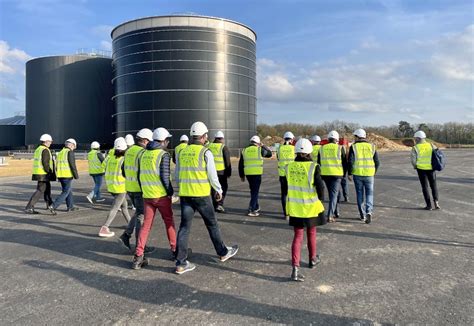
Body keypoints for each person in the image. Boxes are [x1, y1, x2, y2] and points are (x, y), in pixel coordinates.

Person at [174, 121, 238, 274]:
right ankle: (222, 252)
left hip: (186, 195)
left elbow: (176, 174)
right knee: (212, 224)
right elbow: (212, 175)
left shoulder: (182, 152)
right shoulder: (205, 152)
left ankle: (181, 263)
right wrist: (218, 190)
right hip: (201, 195)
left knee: (184, 228)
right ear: (203, 137)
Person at [132, 127, 177, 269]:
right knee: (169, 222)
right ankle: (176, 251)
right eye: (167, 140)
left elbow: (139, 176)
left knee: (146, 225)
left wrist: (145, 190)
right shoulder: (163, 155)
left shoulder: (143, 154)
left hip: (147, 196)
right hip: (161, 196)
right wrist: (170, 192)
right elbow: (165, 177)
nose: (168, 143)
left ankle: (138, 257)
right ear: (163, 141)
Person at [283, 138, 325, 281]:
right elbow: (320, 188)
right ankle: (312, 259)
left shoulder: (288, 167)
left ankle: (295, 268)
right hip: (310, 208)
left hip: (295, 208)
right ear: (309, 152)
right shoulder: (314, 167)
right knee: (311, 233)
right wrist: (321, 199)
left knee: (298, 237)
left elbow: (285, 189)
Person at [119, 128, 154, 251]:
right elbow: (143, 173)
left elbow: (123, 170)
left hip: (130, 187)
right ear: (144, 140)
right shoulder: (142, 153)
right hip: (140, 189)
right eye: (149, 141)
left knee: (138, 212)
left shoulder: (128, 151)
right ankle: (140, 245)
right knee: (141, 216)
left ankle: (126, 235)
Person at [98, 137, 131, 237]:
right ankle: (105, 227)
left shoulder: (110, 158)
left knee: (124, 206)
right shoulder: (124, 160)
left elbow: (103, 167)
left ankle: (130, 224)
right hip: (121, 188)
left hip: (112, 187)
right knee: (115, 207)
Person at [348, 129, 380, 224]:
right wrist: (374, 171)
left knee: (360, 194)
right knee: (369, 194)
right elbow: (377, 162)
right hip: (369, 174)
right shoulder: (372, 146)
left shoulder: (353, 147)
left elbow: (350, 161)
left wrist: (349, 173)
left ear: (357, 137)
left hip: (357, 174)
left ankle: (362, 215)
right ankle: (369, 212)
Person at [239, 135, 272, 216]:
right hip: (256, 173)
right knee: (255, 192)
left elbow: (241, 164)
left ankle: (256, 206)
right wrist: (263, 145)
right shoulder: (259, 149)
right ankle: (252, 209)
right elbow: (269, 154)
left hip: (248, 174)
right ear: (258, 143)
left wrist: (241, 175)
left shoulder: (244, 150)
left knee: (253, 191)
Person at [318, 130, 347, 223]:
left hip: (325, 174)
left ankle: (336, 211)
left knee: (334, 193)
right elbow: (344, 162)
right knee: (334, 195)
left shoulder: (321, 148)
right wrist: (344, 173)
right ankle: (330, 215)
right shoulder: (340, 148)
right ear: (337, 139)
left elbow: (319, 162)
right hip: (337, 175)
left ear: (328, 139)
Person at [25, 134, 55, 214]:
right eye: (50, 141)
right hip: (43, 174)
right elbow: (45, 163)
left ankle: (49, 205)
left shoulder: (39, 149)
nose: (51, 143)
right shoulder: (45, 150)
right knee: (40, 190)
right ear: (45, 141)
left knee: (47, 189)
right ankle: (29, 207)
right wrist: (49, 171)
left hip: (39, 173)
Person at [411, 130, 440, 210]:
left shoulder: (415, 147)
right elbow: (438, 154)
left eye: (415, 138)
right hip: (431, 169)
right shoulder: (431, 145)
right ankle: (436, 202)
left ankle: (429, 205)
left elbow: (413, 160)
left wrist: (415, 166)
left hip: (421, 170)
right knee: (433, 186)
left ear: (417, 138)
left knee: (425, 187)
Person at [49, 138, 79, 214]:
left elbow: (57, 165)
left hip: (60, 175)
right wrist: (76, 175)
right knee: (65, 191)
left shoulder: (61, 152)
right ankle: (53, 206)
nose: (73, 148)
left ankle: (70, 206)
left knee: (68, 190)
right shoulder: (69, 152)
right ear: (71, 145)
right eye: (74, 146)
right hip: (67, 175)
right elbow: (72, 165)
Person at [208, 131, 232, 213]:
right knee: (223, 188)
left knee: (213, 188)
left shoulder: (209, 146)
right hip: (221, 172)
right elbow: (227, 161)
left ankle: (214, 204)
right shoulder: (223, 147)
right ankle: (219, 204)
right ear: (222, 138)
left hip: (211, 172)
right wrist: (229, 172)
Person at [277, 131, 295, 219]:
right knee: (292, 194)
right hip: (292, 175)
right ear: (291, 139)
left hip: (282, 174)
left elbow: (278, 158)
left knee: (284, 194)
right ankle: (292, 211)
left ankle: (286, 214)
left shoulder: (280, 148)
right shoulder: (294, 148)